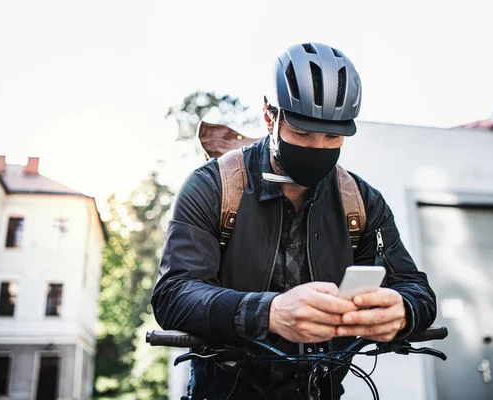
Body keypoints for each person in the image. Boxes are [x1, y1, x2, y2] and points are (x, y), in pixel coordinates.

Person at [151, 42, 436, 399]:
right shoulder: (212, 187)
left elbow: (417, 290)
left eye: (332, 136)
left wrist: (404, 310)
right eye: (302, 133)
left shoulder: (361, 201)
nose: (317, 146)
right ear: (270, 117)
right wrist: (269, 312)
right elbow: (173, 295)